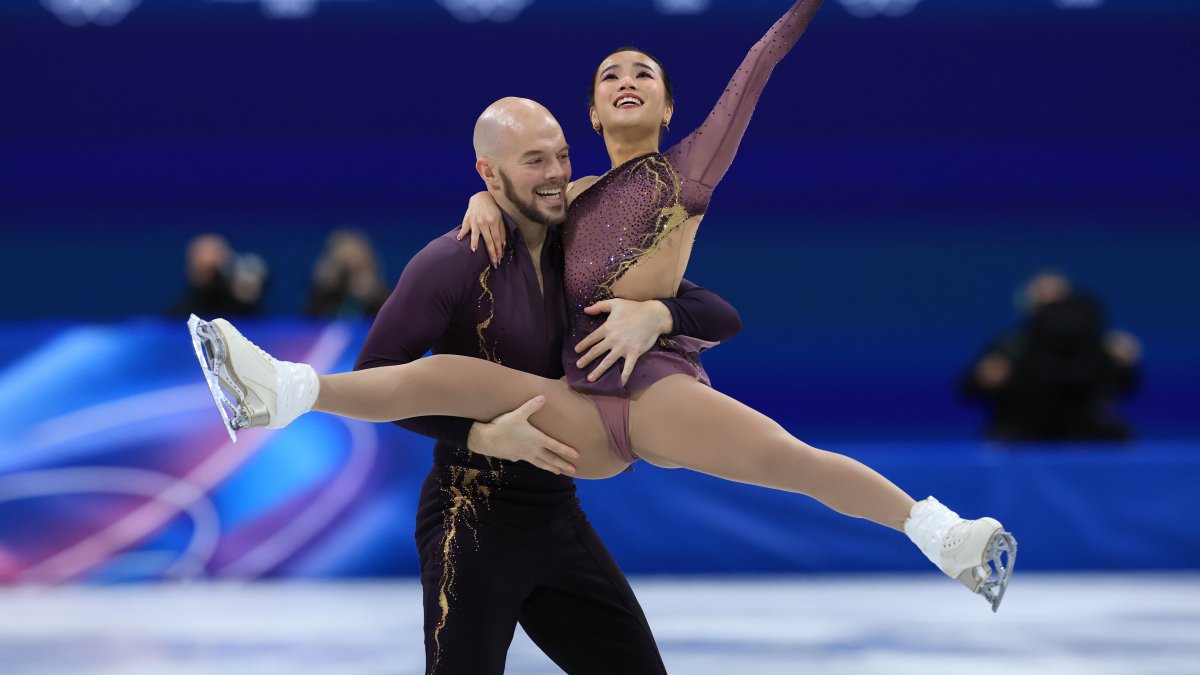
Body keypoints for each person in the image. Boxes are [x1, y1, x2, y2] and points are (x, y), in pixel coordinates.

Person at [189, 0, 1017, 612]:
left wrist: (658, 315)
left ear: (666, 108)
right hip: (575, 411)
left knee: (789, 460)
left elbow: (758, 65)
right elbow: (511, 195)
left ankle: (944, 534)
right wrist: (480, 201)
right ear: (590, 112)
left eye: (643, 74)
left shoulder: (687, 172)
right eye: (610, 76)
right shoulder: (572, 193)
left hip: (654, 395)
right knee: (450, 374)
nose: (626, 81)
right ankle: (280, 391)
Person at [357, 98, 741, 675]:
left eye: (562, 156)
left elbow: (719, 315)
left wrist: (658, 314)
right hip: (470, 516)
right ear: (489, 172)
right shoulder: (452, 261)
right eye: (535, 160)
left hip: (556, 515)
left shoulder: (581, 255)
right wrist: (477, 435)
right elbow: (375, 376)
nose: (557, 173)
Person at [961, 270, 1141, 441]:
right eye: (1044, 304)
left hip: (1088, 435)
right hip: (1023, 435)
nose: (1057, 318)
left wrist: (1126, 366)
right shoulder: (1012, 347)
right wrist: (983, 378)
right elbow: (968, 390)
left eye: (1058, 302)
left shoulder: (1105, 347)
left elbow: (1125, 387)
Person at [305, 228, 391, 318]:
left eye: (357, 268)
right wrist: (323, 288)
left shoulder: (380, 296)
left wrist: (374, 296)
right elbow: (309, 320)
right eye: (344, 263)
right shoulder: (326, 292)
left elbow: (390, 320)